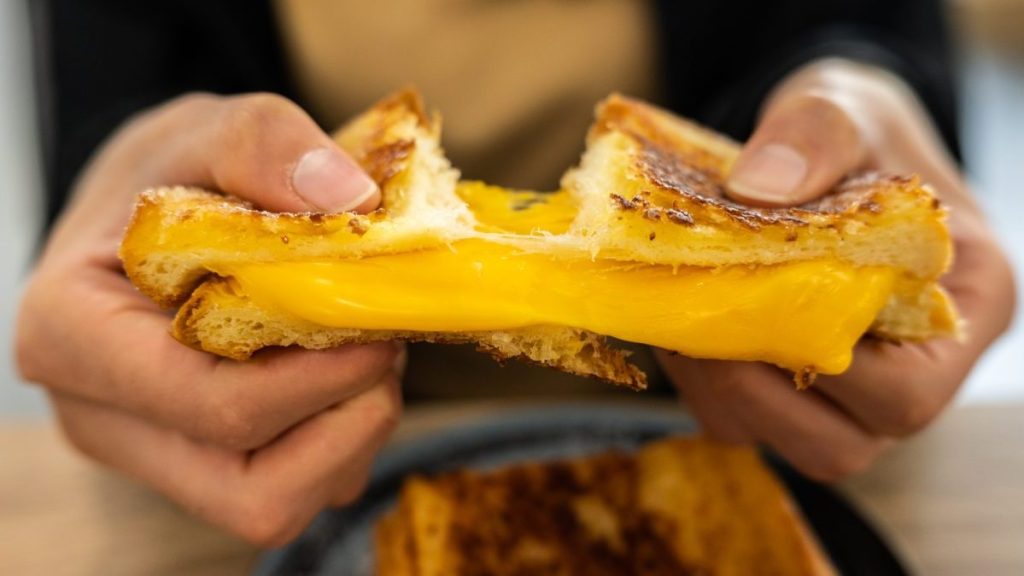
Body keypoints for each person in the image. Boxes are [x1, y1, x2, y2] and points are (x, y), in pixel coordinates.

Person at [15, 0, 1014, 547]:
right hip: (296, 457)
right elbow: (118, 101)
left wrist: (861, 87)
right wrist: (123, 166)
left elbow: (859, 23)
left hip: (743, 424)